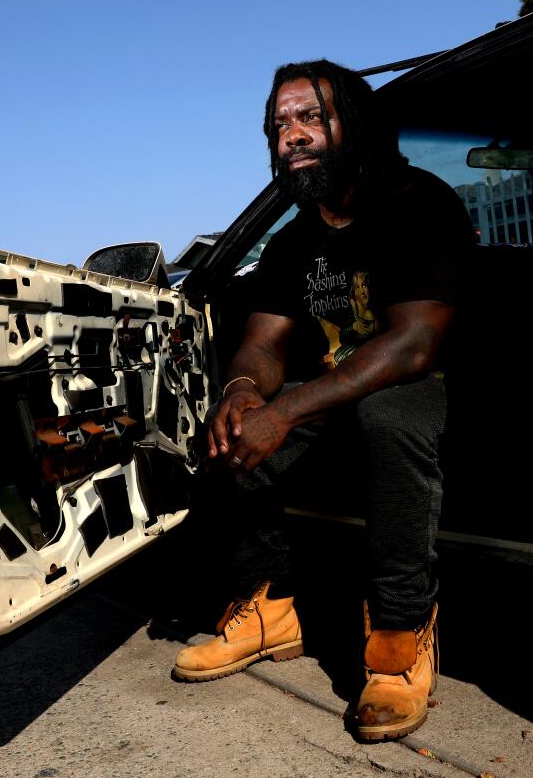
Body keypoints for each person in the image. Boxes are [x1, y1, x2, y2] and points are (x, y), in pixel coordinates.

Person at [172, 59, 471, 742]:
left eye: (310, 117)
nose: (293, 135)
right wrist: (245, 394)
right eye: (280, 125)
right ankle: (269, 605)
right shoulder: (294, 242)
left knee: (386, 415)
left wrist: (287, 411)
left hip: (422, 385)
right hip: (333, 393)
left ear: (353, 124)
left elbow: (413, 344)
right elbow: (264, 346)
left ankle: (400, 636)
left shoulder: (418, 204)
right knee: (229, 429)